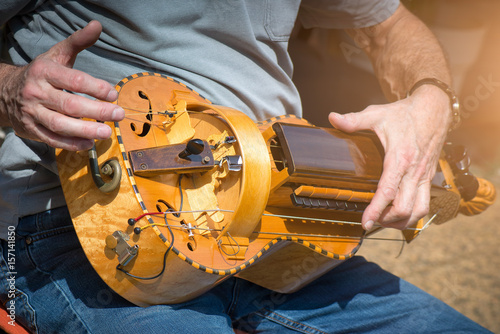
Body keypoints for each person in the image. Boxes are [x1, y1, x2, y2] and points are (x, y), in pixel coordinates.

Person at [0, 1, 491, 333]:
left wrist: (430, 99)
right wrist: (12, 88)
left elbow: (389, 23)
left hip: (275, 241)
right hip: (80, 228)